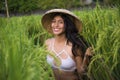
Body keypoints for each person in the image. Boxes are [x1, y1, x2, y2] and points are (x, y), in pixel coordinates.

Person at [41, 9, 93, 80]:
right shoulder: (47, 43)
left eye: (60, 22)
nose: (56, 25)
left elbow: (81, 73)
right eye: (53, 21)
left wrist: (87, 58)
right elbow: (42, 67)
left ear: (67, 25)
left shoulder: (74, 46)